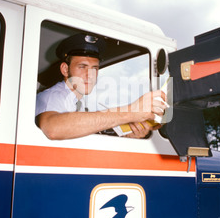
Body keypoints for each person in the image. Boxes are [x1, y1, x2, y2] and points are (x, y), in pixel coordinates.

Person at [36, 33, 167, 140]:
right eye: (82, 67)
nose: (90, 75)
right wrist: (130, 112)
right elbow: (52, 129)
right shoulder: (52, 97)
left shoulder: (76, 101)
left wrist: (127, 135)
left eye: (95, 68)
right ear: (65, 69)